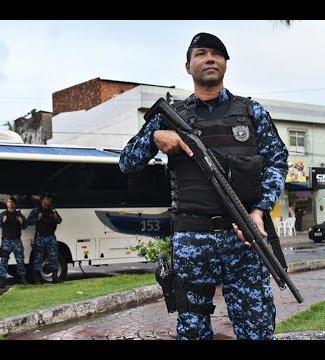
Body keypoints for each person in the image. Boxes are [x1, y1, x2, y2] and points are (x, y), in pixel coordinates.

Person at [119, 32, 288, 340]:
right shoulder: (171, 116)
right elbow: (127, 162)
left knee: (258, 327)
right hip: (192, 240)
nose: (209, 58)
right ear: (188, 67)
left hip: (245, 237)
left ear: (225, 63)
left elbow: (277, 162)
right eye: (201, 54)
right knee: (193, 329)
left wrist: (260, 211)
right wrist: (155, 139)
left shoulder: (252, 112)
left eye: (216, 54)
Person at [26, 193, 63, 284]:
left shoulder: (52, 210)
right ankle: (37, 279)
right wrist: (37, 219)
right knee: (39, 257)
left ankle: (55, 277)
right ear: (42, 200)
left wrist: (56, 217)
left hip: (51, 236)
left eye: (50, 199)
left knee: (53, 256)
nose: (49, 200)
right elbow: (28, 222)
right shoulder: (37, 210)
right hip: (40, 237)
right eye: (47, 199)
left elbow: (59, 221)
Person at [0, 196, 28, 287]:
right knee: (4, 261)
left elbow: (25, 226)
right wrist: (2, 221)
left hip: (17, 241)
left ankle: (23, 279)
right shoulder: (3, 215)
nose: (10, 203)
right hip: (6, 241)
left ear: (15, 204)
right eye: (9, 202)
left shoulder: (19, 215)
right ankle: (2, 281)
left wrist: (21, 222)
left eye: (12, 202)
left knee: (20, 261)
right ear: (6, 204)